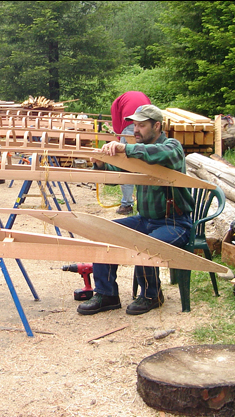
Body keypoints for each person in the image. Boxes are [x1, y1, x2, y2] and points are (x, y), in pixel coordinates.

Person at [78, 104, 195, 316]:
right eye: (134, 125)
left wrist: (126, 148)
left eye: (141, 125)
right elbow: (116, 176)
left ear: (157, 126)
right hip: (145, 219)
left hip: (176, 223)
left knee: (144, 244)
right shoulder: (138, 151)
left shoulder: (172, 146)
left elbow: (161, 154)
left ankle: (152, 294)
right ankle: (107, 294)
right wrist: (101, 163)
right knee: (103, 233)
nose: (136, 130)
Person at [110, 91, 151, 215]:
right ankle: (144, 206)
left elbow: (117, 123)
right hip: (147, 126)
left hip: (130, 125)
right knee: (145, 164)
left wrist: (119, 141)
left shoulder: (116, 103)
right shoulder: (144, 96)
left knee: (126, 167)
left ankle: (127, 205)